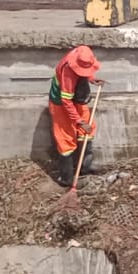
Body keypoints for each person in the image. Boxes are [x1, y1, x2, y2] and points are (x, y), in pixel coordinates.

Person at [48, 45, 102, 186]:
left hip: (76, 98)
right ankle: (67, 178)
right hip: (61, 103)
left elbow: (84, 70)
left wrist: (91, 78)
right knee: (65, 139)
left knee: (88, 129)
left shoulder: (81, 54)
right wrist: (78, 121)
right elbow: (66, 100)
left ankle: (85, 168)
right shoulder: (68, 72)